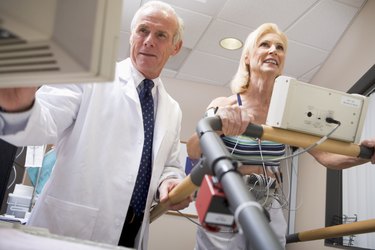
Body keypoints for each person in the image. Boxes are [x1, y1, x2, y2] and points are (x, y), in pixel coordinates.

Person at [0, 1, 191, 249]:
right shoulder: (87, 75)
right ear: (132, 35)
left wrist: (170, 183)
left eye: (161, 35)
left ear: (176, 47)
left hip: (132, 232)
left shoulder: (172, 109)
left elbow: (170, 166)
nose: (149, 40)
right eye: (143, 31)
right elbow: (42, 122)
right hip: (71, 228)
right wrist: (18, 107)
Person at [186, 23, 375, 250]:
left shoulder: (287, 115)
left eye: (280, 47)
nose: (273, 50)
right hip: (225, 196)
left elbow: (328, 158)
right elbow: (193, 150)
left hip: (269, 201)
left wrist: (365, 154)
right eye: (264, 44)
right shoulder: (224, 104)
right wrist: (219, 125)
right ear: (247, 57)